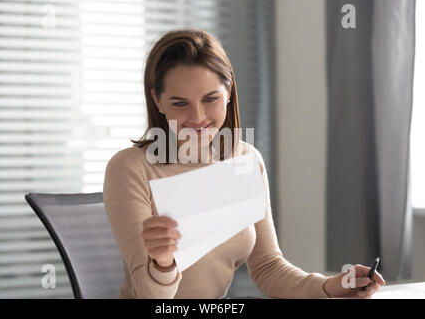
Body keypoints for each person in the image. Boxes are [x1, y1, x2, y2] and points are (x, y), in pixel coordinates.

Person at [102, 28, 385, 299]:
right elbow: (148, 294)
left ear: (228, 91)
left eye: (210, 98)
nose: (198, 116)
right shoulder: (130, 168)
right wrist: (163, 264)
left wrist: (329, 287)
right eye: (179, 103)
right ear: (157, 100)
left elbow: (268, 267)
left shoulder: (246, 160)